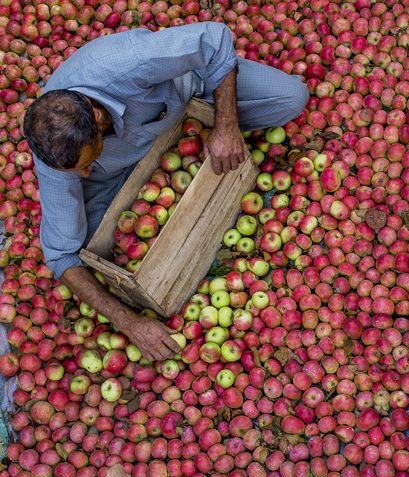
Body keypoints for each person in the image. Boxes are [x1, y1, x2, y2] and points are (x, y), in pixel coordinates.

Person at [23, 22, 309, 361]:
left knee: (292, 98)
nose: (83, 174)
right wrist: (128, 322)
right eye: (77, 171)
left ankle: (209, 118)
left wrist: (226, 126)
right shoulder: (58, 158)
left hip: (187, 99)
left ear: (99, 119)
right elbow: (61, 255)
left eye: (88, 162)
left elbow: (215, 38)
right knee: (99, 249)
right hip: (118, 174)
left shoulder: (126, 64)